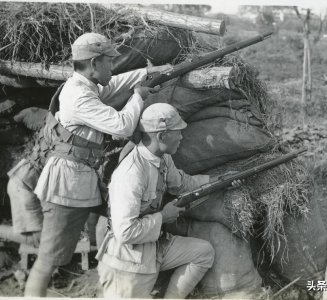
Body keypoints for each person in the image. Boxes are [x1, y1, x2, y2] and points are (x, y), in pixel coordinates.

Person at [24, 32, 169, 297]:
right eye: (108, 62)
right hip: (67, 186)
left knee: (109, 226)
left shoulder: (86, 86)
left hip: (82, 179)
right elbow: (123, 126)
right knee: (47, 259)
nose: (112, 68)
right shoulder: (78, 97)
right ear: (93, 64)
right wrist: (138, 97)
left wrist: (149, 74)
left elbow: (113, 85)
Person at [96, 103, 242, 298]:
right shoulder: (131, 174)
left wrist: (222, 180)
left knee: (203, 252)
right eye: (178, 132)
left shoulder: (162, 158)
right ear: (162, 136)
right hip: (128, 261)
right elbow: (125, 232)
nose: (182, 137)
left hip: (153, 246)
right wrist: (163, 217)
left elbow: (183, 184)